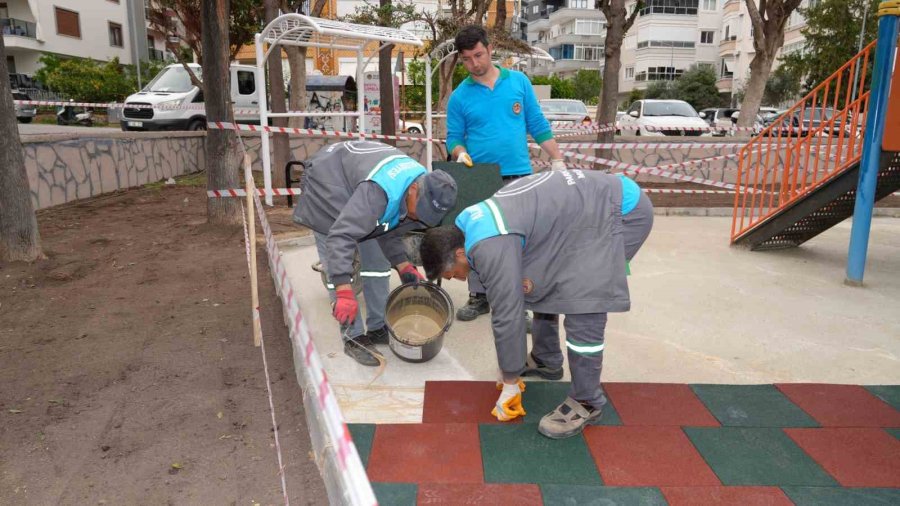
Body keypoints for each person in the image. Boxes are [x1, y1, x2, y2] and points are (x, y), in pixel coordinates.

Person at [420, 170, 653, 439]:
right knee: (540, 277)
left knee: (583, 298)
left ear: (460, 253)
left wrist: (510, 379)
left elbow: (507, 312)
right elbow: (504, 281)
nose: (458, 279)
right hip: (589, 208)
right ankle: (547, 359)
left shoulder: (490, 243)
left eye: (452, 274)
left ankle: (587, 401)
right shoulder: (470, 224)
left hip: (621, 211)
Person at [293, 140, 458, 366]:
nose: (418, 217)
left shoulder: (420, 184)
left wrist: (403, 265)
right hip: (328, 184)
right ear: (413, 190)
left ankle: (378, 327)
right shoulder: (379, 192)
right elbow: (340, 237)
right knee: (339, 270)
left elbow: (386, 227)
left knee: (377, 265)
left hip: (361, 188)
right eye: (420, 211)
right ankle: (354, 337)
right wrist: (343, 290)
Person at [446, 24, 567, 322]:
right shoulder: (460, 96)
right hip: (480, 177)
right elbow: (453, 138)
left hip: (518, 175)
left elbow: (537, 125)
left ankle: (521, 298)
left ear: (490, 50)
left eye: (478, 55)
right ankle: (479, 296)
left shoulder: (519, 83)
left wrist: (558, 159)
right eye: (467, 59)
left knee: (521, 238)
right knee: (476, 237)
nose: (474, 64)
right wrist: (460, 154)